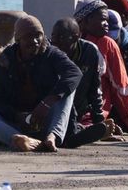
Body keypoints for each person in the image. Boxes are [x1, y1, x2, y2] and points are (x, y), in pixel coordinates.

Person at [0, 15, 80, 153]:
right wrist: (17, 116)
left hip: (46, 121)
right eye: (28, 36)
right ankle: (18, 140)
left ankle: (53, 137)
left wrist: (46, 104)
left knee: (68, 89)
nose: (34, 41)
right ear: (18, 40)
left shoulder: (51, 53)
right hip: (17, 125)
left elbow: (74, 73)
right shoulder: (5, 60)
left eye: (38, 35)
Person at [74, 0, 128, 135]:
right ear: (85, 21)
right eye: (102, 20)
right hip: (92, 113)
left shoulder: (69, 40)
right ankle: (97, 128)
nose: (106, 24)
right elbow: (123, 89)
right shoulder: (107, 44)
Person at [49, 18, 115, 147]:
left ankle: (75, 131)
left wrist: (100, 124)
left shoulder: (90, 52)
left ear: (76, 37)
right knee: (66, 88)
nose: (55, 41)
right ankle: (75, 132)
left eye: (61, 37)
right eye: (53, 36)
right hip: (55, 107)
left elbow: (95, 89)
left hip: (78, 107)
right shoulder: (50, 52)